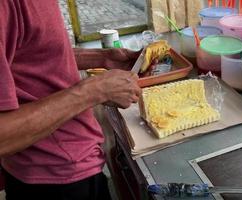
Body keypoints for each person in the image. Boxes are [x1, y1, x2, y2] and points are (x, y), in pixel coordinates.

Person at [0, 0, 142, 199]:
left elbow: (37, 51)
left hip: (75, 164)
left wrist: (101, 57)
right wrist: (95, 91)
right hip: (53, 181)